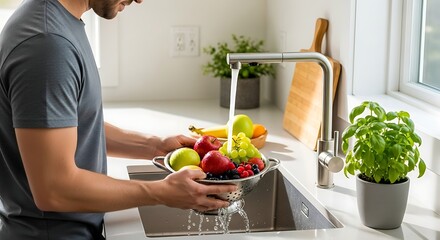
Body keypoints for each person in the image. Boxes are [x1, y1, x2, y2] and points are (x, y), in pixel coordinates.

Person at [0, 0, 236, 239]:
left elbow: (68, 124)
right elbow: (54, 189)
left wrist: (154, 146)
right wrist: (160, 192)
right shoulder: (48, 43)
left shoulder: (56, 21)